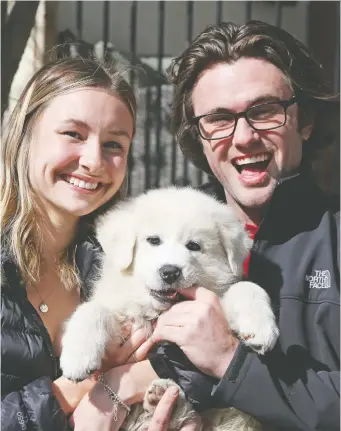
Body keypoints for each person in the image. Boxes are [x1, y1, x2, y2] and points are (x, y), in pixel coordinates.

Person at [144, 20, 340, 431]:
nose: (245, 136)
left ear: (305, 121)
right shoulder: (153, 239)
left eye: (265, 110)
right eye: (218, 118)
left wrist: (230, 362)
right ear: (197, 136)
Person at [1, 56, 158, 430]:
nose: (93, 160)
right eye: (73, 134)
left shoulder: (126, 260)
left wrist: (131, 383)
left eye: (114, 144)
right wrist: (83, 389)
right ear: (26, 131)